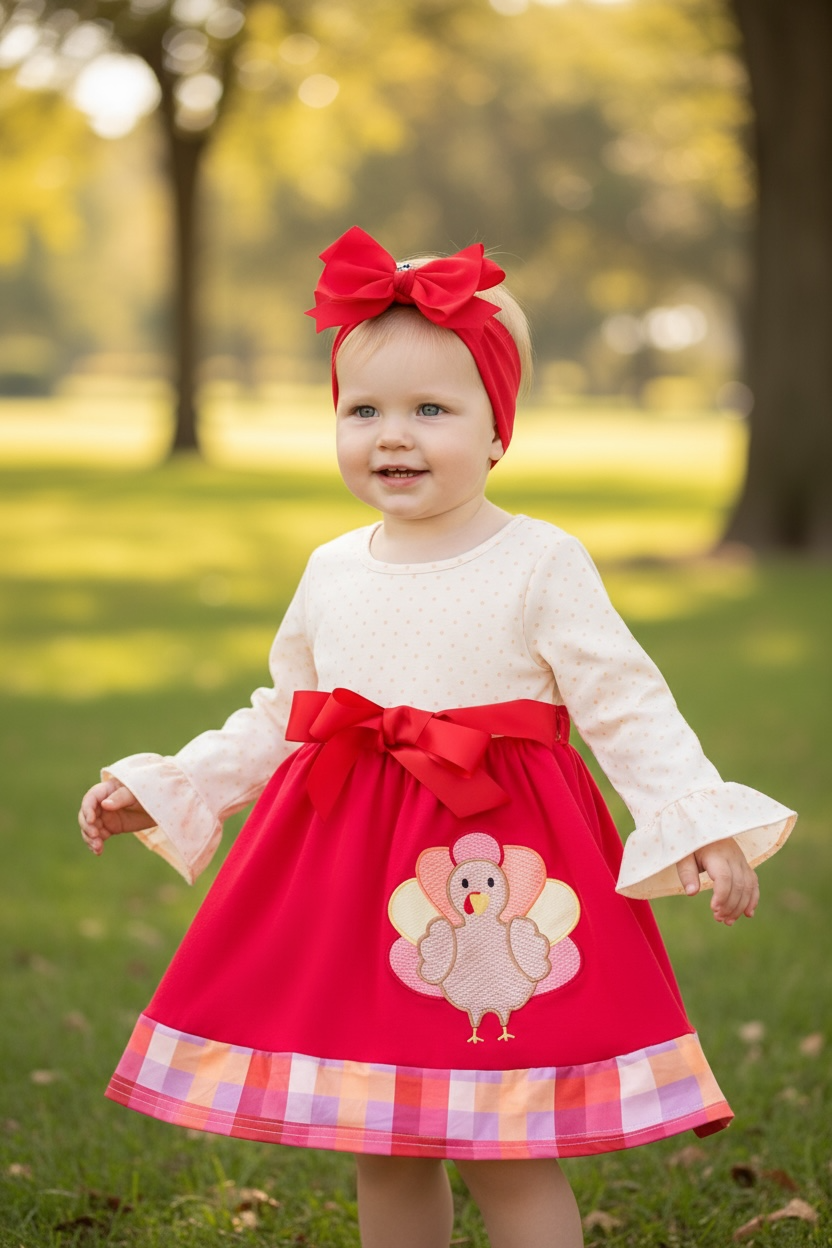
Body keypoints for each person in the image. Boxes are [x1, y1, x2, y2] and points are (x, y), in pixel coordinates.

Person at [78, 226, 796, 1248]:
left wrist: (696, 824)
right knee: (389, 1135)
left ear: (496, 429)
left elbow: (624, 702)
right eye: (363, 410)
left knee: (510, 1138)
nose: (392, 435)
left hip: (504, 859)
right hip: (355, 879)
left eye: (431, 409)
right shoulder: (332, 568)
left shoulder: (539, 561)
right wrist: (175, 783)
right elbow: (287, 715)